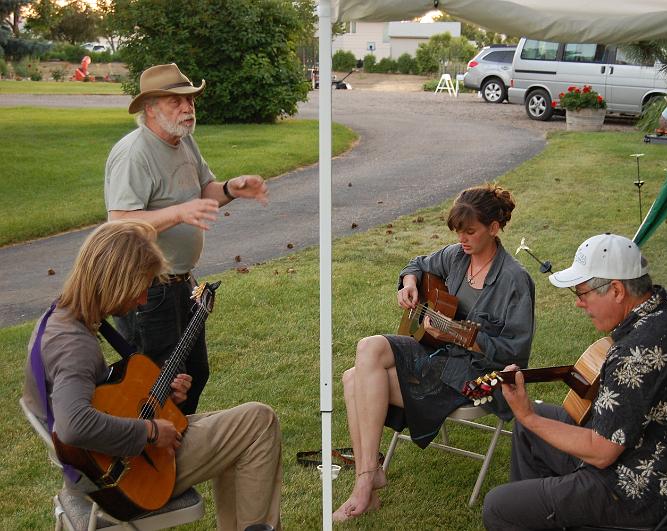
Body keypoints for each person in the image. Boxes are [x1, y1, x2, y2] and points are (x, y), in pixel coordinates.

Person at [22, 220, 282, 530]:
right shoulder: (73, 345)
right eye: (143, 287)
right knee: (259, 422)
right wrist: (151, 432)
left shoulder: (60, 319)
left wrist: (161, 397)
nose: (144, 300)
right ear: (117, 280)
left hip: (95, 467)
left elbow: (100, 400)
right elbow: (74, 425)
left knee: (241, 427)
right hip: (121, 478)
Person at [483, 233, 667, 530]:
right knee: (528, 431)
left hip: (634, 489)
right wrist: (530, 421)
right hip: (656, 449)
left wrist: (525, 413)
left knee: (500, 506)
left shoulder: (635, 353)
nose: (579, 304)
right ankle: (541, 515)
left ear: (616, 289)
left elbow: (601, 453)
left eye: (582, 293)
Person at [333, 184, 535, 522]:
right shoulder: (457, 256)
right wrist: (410, 284)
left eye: (470, 231)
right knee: (367, 348)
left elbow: (514, 354)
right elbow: (417, 263)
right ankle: (369, 475)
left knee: (354, 379)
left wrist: (461, 336)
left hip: (475, 377)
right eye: (458, 231)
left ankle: (365, 483)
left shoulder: (515, 280)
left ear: (494, 228)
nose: (463, 239)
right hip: (436, 356)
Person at [104, 63, 269, 414]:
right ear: (149, 107)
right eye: (175, 100)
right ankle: (152, 459)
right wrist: (179, 213)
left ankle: (181, 450)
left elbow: (203, 190)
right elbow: (120, 224)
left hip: (180, 284)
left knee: (194, 373)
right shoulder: (134, 154)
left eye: (190, 100)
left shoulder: (184, 142)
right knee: (158, 386)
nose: (187, 107)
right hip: (145, 291)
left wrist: (229, 189)